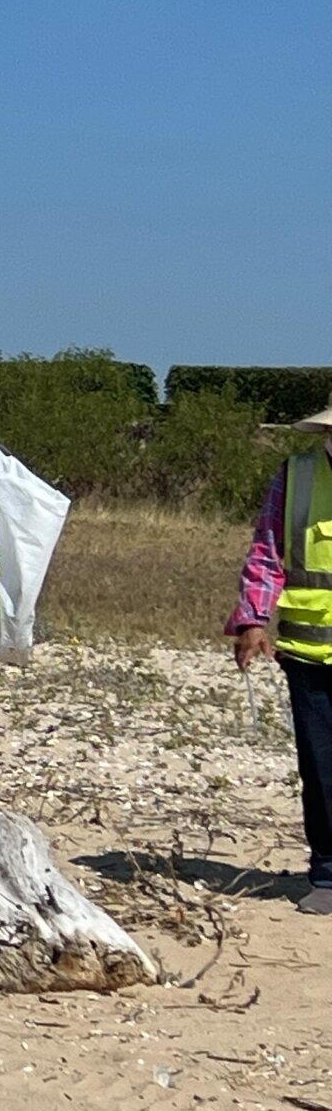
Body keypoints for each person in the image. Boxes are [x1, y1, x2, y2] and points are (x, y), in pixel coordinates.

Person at [228, 390, 332, 916]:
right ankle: (328, 874)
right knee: (321, 768)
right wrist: (251, 621)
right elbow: (267, 555)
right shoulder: (297, 477)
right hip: (309, 655)